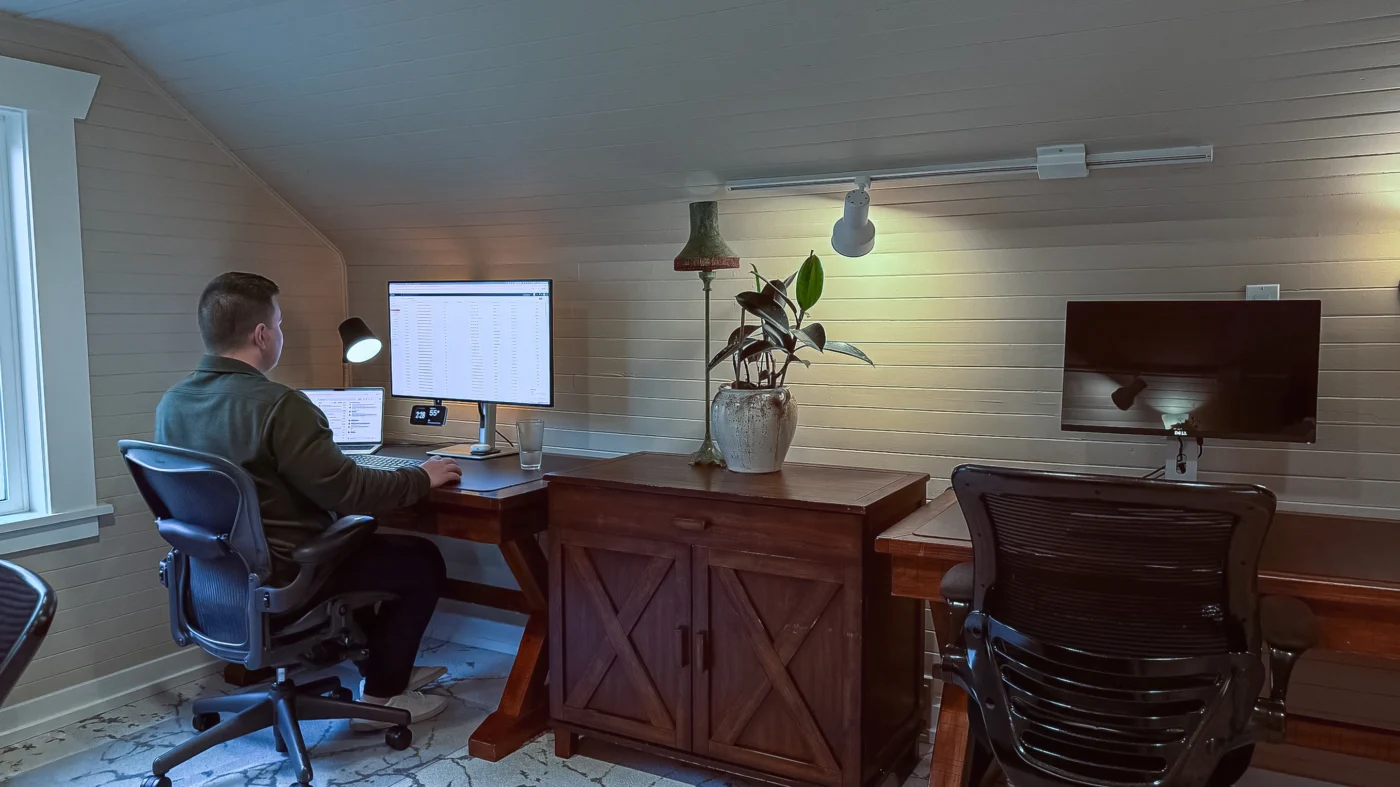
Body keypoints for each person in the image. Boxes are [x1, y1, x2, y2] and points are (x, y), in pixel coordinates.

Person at [155, 272, 463, 730]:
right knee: (419, 561)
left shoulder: (173, 404)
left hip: (213, 585)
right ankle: (380, 699)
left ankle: (385, 669)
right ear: (261, 334)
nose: (280, 333)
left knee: (370, 553)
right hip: (285, 575)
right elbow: (349, 490)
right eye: (278, 324)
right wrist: (420, 477)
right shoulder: (279, 405)